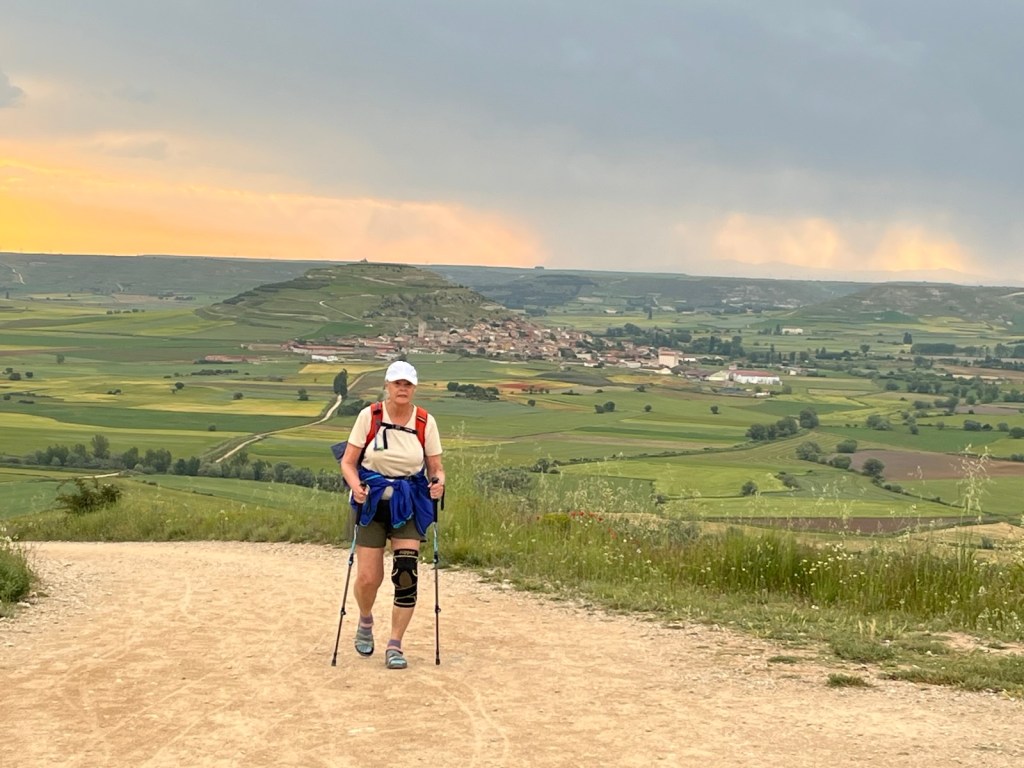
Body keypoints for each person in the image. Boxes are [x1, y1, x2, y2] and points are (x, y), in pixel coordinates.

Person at [339, 360, 445, 670]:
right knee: (368, 578)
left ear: (414, 388)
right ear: (387, 386)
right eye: (397, 383)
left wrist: (438, 483)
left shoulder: (425, 421)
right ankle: (365, 619)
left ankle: (395, 644)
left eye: (407, 384)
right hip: (372, 502)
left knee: (406, 575)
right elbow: (348, 462)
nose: (402, 388)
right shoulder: (369, 416)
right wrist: (356, 486)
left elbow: (436, 467)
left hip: (408, 502)